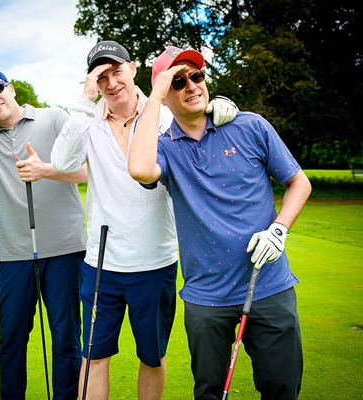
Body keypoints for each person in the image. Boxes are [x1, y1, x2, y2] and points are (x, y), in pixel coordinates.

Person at [50, 40, 237, 400]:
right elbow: (60, 162)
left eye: (116, 71)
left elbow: (199, 120)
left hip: (156, 262)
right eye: (101, 76)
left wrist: (218, 109)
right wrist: (85, 101)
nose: (111, 82)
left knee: (152, 357)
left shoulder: (164, 115)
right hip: (101, 262)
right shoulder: (87, 120)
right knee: (94, 356)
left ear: (133, 68)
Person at [128, 46, 312, 400]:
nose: (192, 86)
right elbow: (139, 168)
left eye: (196, 75)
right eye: (178, 82)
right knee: (209, 392)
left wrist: (279, 229)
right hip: (206, 297)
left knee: (282, 388)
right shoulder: (164, 148)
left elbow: (298, 182)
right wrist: (155, 95)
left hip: (269, 286)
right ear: (165, 96)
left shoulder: (251, 125)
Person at [0, 65, 87, 400]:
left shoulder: (53, 118)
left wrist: (45, 170)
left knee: (66, 337)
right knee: (11, 339)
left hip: (65, 249)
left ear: (10, 89)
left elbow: (87, 171)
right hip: (14, 256)